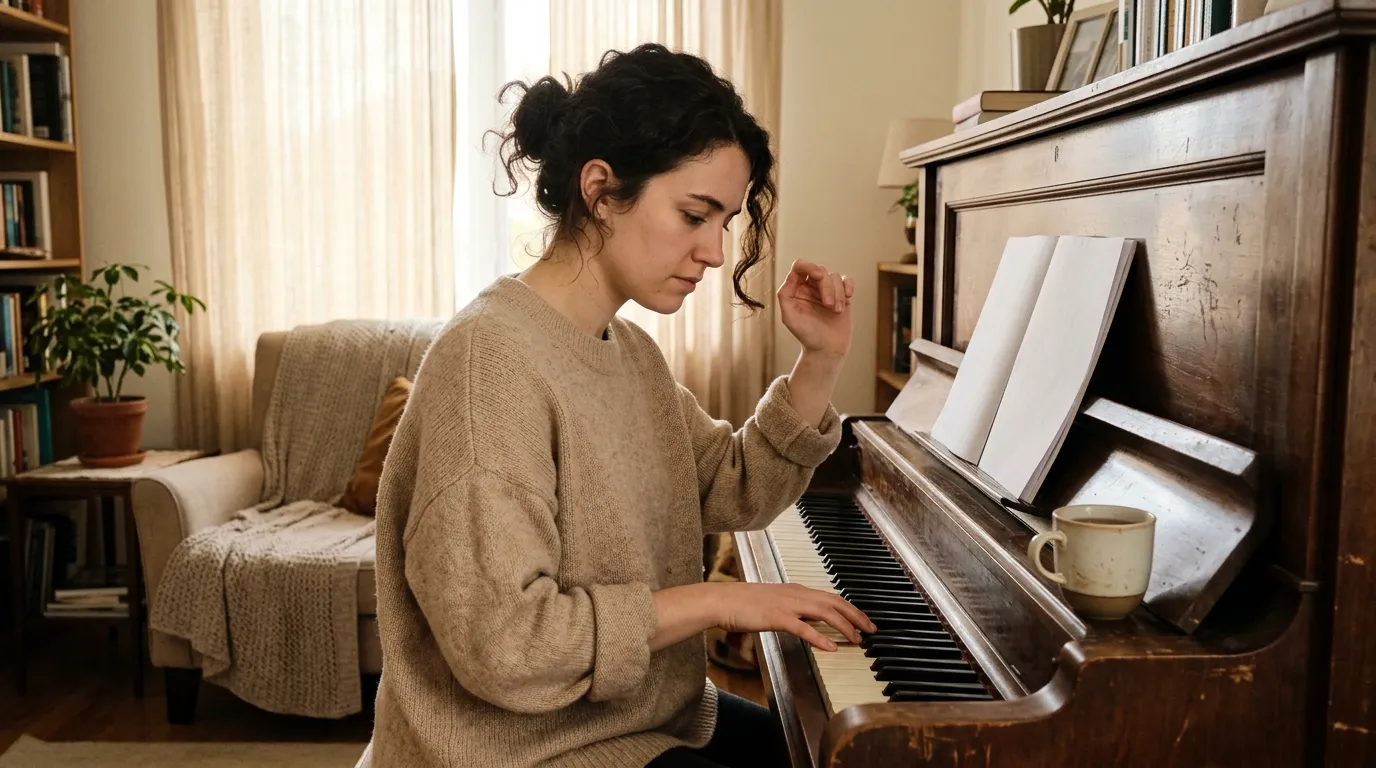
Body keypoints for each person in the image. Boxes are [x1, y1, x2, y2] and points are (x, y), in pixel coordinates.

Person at [362, 43, 874, 768]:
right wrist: (719, 601)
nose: (716, 252)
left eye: (723, 221)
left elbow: (732, 486)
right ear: (601, 189)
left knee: (833, 750)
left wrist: (819, 360)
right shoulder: (488, 363)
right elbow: (508, 645)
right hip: (520, 751)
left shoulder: (628, 350)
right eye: (695, 214)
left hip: (641, 718)